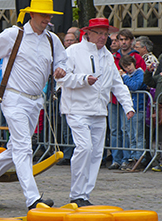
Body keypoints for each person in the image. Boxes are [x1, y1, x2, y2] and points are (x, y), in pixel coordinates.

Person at [0, 1, 67, 209]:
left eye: (50, 16)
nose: (47, 19)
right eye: (44, 15)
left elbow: (63, 60)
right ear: (31, 14)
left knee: (15, 147)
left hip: (35, 101)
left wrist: (61, 70)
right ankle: (33, 198)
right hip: (13, 98)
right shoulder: (13, 34)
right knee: (24, 147)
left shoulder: (52, 40)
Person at [57, 17, 134, 207]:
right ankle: (76, 193)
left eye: (105, 33)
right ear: (88, 33)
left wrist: (128, 105)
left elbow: (117, 83)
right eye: (99, 33)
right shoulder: (73, 51)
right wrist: (83, 79)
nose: (103, 37)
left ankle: (85, 194)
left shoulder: (108, 55)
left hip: (99, 110)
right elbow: (62, 79)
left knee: (95, 154)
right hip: (77, 108)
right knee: (84, 148)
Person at [118, 54, 147, 171]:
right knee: (130, 135)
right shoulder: (126, 76)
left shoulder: (139, 73)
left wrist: (124, 77)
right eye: (125, 67)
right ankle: (132, 157)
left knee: (138, 134)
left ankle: (139, 158)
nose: (128, 68)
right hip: (128, 108)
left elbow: (135, 86)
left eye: (129, 65)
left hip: (138, 107)